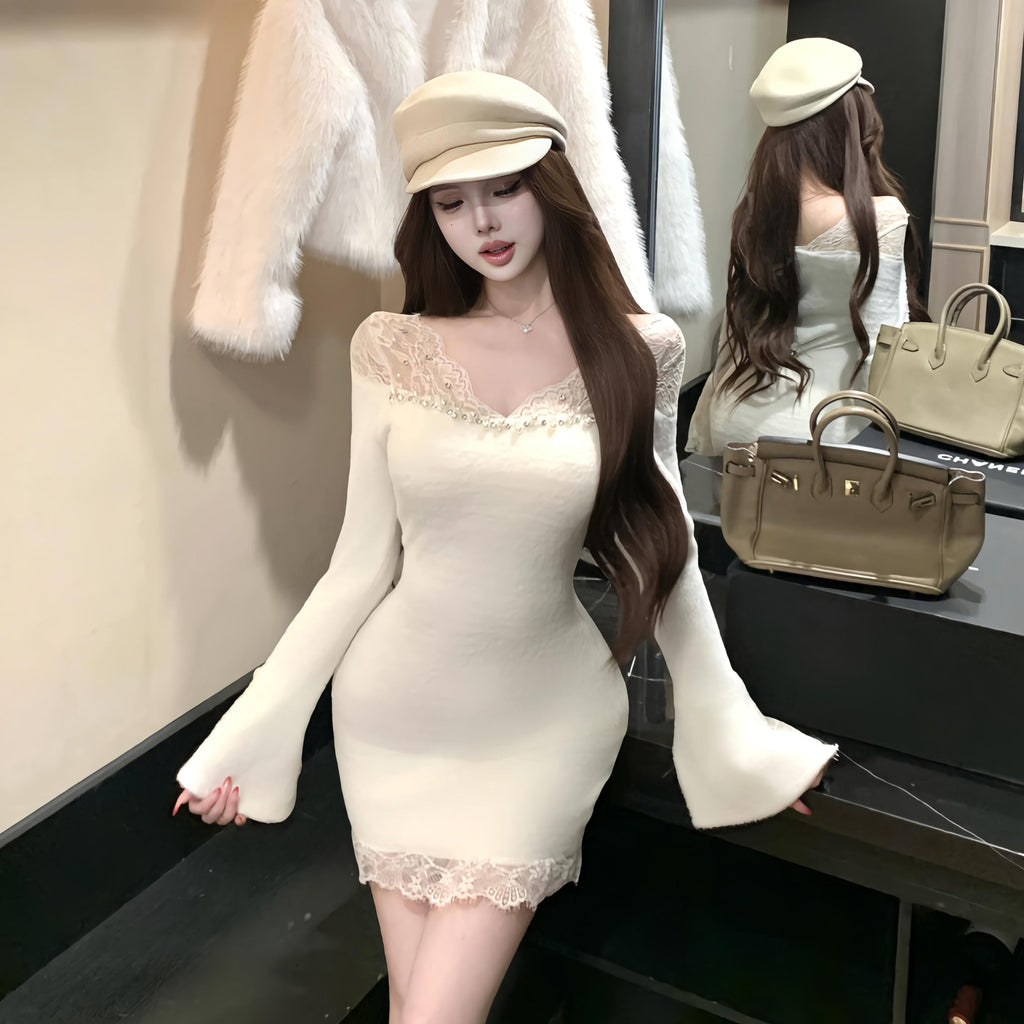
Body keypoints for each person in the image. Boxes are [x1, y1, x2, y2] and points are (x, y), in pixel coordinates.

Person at [173, 71, 836, 1024]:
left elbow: (665, 551)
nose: (480, 221)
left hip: (543, 722)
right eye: (449, 202)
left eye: (504, 187)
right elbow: (357, 566)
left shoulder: (640, 349)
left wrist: (738, 737)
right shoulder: (389, 347)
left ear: (551, 184)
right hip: (394, 717)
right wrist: (247, 736)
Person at [687, 37, 929, 456]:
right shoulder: (881, 217)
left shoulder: (754, 215)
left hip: (736, 416)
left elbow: (733, 334)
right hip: (831, 429)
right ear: (849, 128)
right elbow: (885, 348)